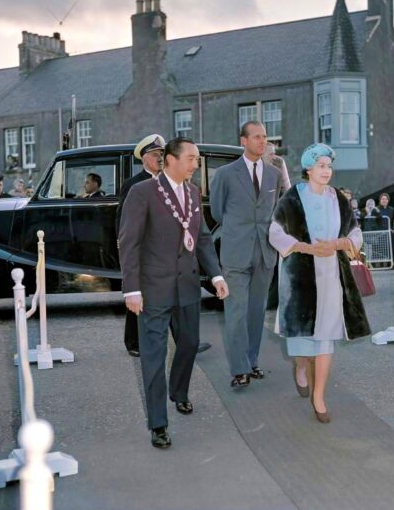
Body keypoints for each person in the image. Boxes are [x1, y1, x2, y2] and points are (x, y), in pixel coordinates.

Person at [118, 137, 229, 449]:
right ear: (170, 160)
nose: (196, 164)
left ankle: (178, 392)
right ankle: (158, 424)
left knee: (190, 344)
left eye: (196, 159)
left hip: (187, 287)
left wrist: (216, 274)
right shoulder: (143, 193)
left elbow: (203, 238)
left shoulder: (193, 192)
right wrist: (132, 289)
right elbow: (129, 242)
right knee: (153, 358)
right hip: (152, 290)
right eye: (191, 159)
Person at [269, 143, 370, 423]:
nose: (327, 171)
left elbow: (355, 233)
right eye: (321, 166)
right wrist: (304, 247)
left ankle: (319, 397)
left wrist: (341, 243)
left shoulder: (338, 198)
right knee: (304, 343)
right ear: (309, 168)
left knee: (325, 338)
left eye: (329, 166)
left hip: (331, 278)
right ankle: (300, 367)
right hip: (300, 278)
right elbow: (275, 233)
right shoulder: (292, 198)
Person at [210, 120, 282, 388]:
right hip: (235, 252)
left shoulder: (274, 174)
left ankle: (252, 361)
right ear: (243, 141)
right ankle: (239, 368)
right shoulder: (226, 174)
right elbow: (217, 211)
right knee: (236, 312)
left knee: (256, 312)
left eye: (264, 137)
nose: (262, 141)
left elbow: (274, 211)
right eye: (255, 137)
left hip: (265, 253)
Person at [116, 134, 166, 357]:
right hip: (142, 247)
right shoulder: (133, 185)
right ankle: (133, 341)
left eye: (162, 155)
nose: (160, 159)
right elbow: (123, 221)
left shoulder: (168, 181)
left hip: (163, 249)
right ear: (144, 158)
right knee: (137, 293)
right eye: (156, 155)